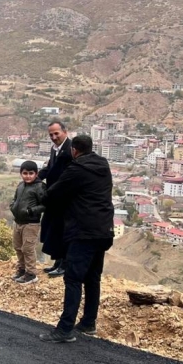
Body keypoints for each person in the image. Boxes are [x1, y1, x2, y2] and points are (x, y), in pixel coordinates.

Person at [39, 135, 114, 343]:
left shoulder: (77, 169)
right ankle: (89, 322)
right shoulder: (103, 164)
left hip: (83, 231)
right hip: (104, 229)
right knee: (92, 278)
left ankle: (64, 329)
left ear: (74, 150)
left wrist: (42, 195)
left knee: (72, 279)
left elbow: (54, 193)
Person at [38, 120, 73, 277]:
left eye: (56, 133)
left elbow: (67, 176)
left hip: (65, 199)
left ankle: (65, 264)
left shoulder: (71, 149)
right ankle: (58, 262)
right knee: (55, 231)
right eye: (51, 134)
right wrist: (36, 178)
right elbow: (50, 169)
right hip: (54, 198)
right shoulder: (55, 149)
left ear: (65, 131)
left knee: (64, 232)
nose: (53, 137)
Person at [9, 160, 46, 285]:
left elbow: (45, 205)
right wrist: (13, 207)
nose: (28, 176)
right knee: (18, 247)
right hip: (18, 222)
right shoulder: (20, 185)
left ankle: (31, 274)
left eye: (31, 173)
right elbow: (15, 199)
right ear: (21, 173)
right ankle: (22, 270)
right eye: (25, 173)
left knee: (28, 248)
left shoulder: (40, 187)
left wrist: (31, 211)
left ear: (36, 174)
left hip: (31, 224)